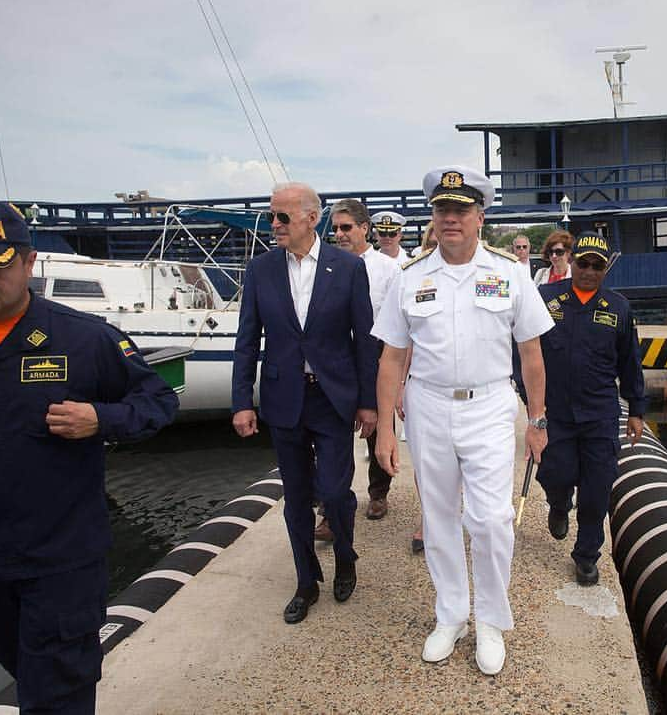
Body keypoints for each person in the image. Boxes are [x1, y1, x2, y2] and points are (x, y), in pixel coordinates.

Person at [0, 201, 179, 714]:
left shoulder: (84, 339)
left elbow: (157, 401)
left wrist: (102, 419)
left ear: (28, 263)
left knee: (56, 688)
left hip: (63, 560)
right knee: (5, 652)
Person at [373, 165, 554, 676]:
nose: (450, 218)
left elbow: (532, 353)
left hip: (491, 403)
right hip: (428, 404)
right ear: (432, 217)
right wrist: (386, 428)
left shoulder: (510, 273)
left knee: (492, 517)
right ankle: (450, 614)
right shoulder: (410, 278)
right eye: (442, 210)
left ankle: (492, 621)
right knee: (438, 515)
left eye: (461, 210)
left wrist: (537, 420)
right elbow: (391, 358)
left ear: (479, 216)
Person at [231, 183, 378, 625]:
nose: (273, 225)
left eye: (282, 217)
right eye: (272, 216)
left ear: (311, 218)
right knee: (295, 499)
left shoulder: (347, 268)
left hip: (332, 397)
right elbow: (246, 342)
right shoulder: (260, 270)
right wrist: (242, 401)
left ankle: (346, 556)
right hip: (283, 398)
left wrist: (369, 403)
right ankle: (305, 581)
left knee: (334, 491)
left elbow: (365, 340)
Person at [535, 231, 646, 586]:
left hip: (599, 414)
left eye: (597, 266)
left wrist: (637, 410)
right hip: (556, 413)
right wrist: (529, 398)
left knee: (598, 488)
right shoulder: (547, 298)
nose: (588, 271)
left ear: (605, 270)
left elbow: (630, 363)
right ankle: (557, 503)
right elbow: (524, 350)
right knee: (556, 474)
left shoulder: (618, 307)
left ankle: (586, 555)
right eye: (583, 263)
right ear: (572, 262)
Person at [329, 199, 398, 521]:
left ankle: (378, 493)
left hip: (376, 358)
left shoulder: (387, 269)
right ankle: (333, 505)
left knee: (378, 431)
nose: (340, 235)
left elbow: (397, 323)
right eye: (335, 229)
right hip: (337, 362)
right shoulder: (324, 268)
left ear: (364, 228)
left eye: (346, 227)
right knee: (333, 437)